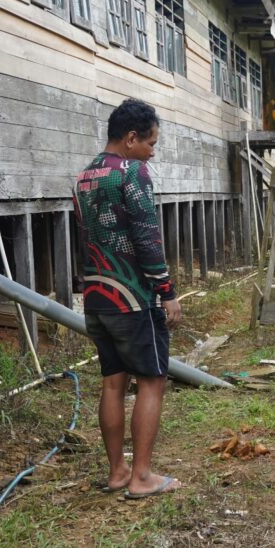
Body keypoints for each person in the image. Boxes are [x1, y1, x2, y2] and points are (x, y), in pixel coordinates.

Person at [73, 98, 182, 499]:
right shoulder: (132, 172)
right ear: (131, 138)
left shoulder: (84, 176)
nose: (152, 152)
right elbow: (146, 236)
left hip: (97, 295)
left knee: (113, 382)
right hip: (132, 297)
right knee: (152, 381)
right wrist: (166, 291)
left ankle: (118, 472)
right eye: (151, 143)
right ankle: (141, 478)